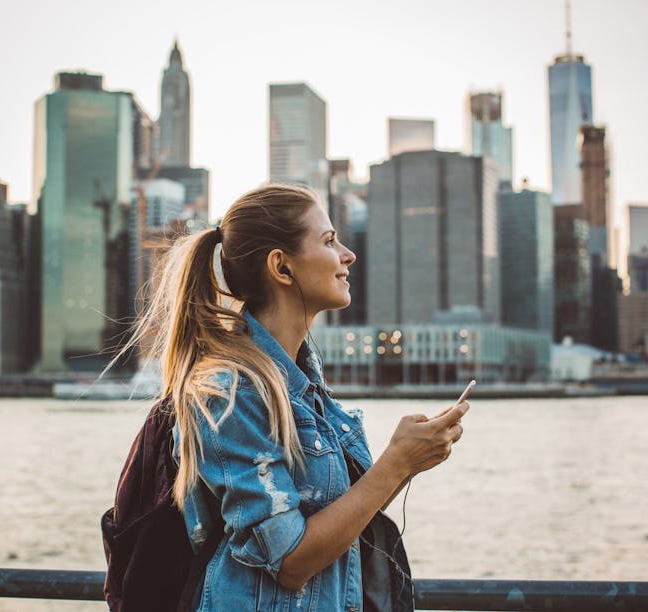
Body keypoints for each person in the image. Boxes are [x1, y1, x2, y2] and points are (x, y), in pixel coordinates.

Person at [129, 184, 469, 611]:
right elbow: (289, 560)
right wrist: (395, 463)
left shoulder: (304, 385)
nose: (348, 255)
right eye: (329, 241)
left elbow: (336, 517)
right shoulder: (230, 392)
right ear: (282, 267)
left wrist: (409, 461)